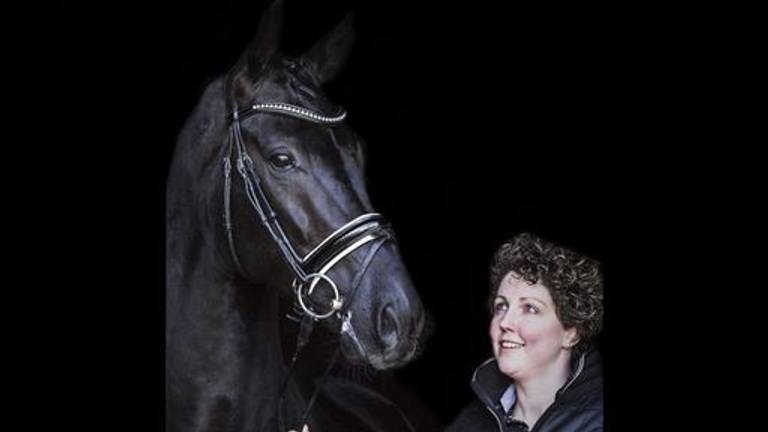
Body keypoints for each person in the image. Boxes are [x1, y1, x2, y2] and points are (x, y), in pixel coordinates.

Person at [446, 232, 604, 432]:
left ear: (571, 333)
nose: (505, 322)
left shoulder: (596, 422)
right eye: (501, 306)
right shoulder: (471, 422)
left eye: (530, 308)